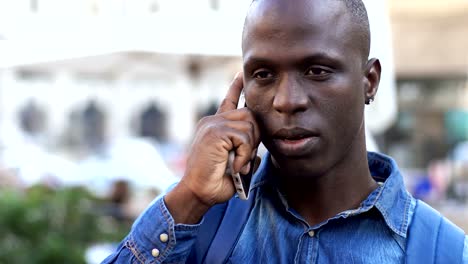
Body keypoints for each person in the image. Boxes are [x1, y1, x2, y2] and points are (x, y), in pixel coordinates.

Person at [103, 0, 468, 263]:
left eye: (317, 71)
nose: (287, 101)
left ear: (369, 81)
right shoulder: (197, 222)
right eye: (263, 75)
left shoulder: (443, 251)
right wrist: (190, 198)